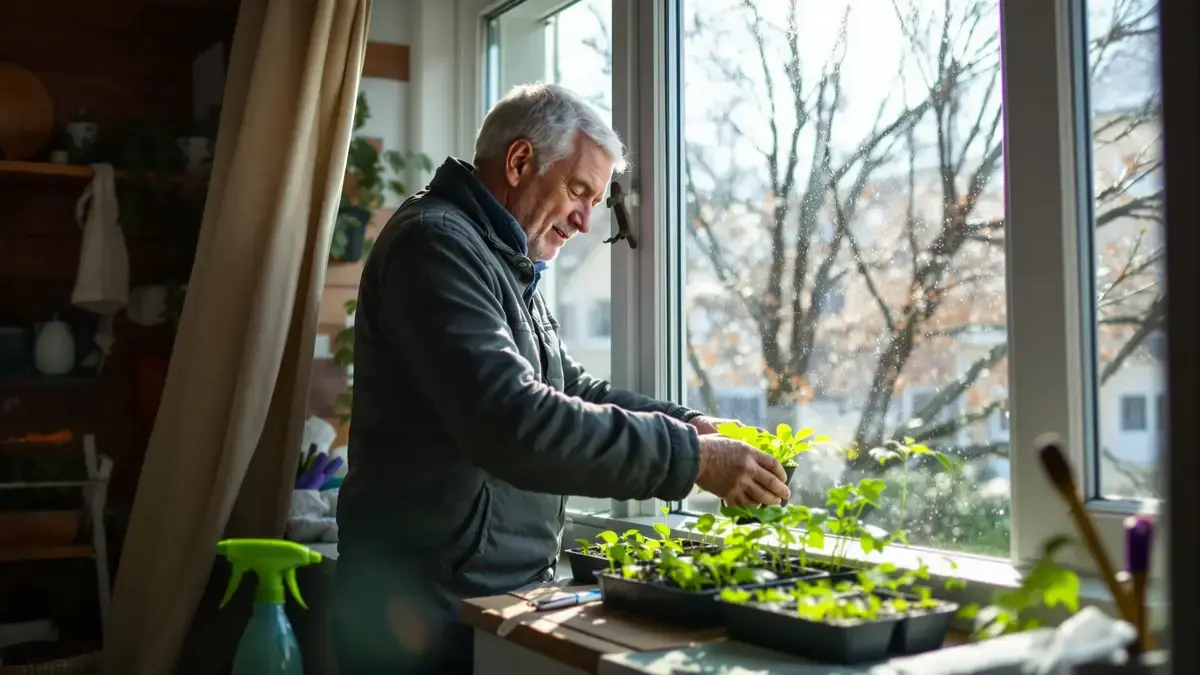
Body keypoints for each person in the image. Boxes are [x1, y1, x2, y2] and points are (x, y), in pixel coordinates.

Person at [332, 83, 791, 674]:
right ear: (520, 162)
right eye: (579, 191)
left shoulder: (501, 257)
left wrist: (691, 424)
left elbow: (569, 389)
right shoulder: (436, 245)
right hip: (420, 612)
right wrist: (692, 459)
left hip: (476, 597)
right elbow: (513, 421)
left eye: (596, 201)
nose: (583, 220)